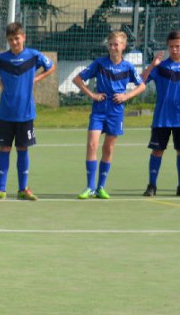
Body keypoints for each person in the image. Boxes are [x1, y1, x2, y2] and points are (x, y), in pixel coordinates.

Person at [0, 22, 55, 201]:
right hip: (5, 113)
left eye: (16, 38)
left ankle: (23, 189)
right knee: (4, 148)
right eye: (10, 39)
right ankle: (1, 190)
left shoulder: (34, 56)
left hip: (26, 113)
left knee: (23, 148)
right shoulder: (1, 59)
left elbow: (50, 66)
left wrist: (37, 78)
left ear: (23, 38)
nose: (14, 42)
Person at [72, 31, 146, 199]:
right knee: (92, 145)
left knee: (108, 148)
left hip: (116, 112)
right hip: (98, 111)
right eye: (110, 44)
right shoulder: (99, 63)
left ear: (123, 46)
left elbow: (142, 86)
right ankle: (90, 187)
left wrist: (126, 96)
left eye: (116, 44)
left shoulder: (128, 67)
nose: (113, 47)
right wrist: (92, 95)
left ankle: (100, 187)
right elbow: (77, 79)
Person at [140, 29, 180, 197]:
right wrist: (152, 65)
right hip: (162, 118)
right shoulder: (161, 67)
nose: (175, 50)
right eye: (172, 46)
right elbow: (141, 80)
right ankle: (152, 185)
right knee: (157, 151)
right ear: (167, 47)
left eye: (178, 46)